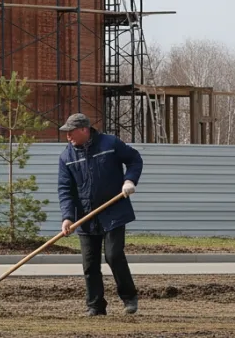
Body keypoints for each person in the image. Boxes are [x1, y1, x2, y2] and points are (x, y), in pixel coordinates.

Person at [56, 112, 144, 317]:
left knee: (113, 255)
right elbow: (65, 190)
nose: (67, 136)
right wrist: (68, 217)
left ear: (84, 130)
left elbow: (134, 159)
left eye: (71, 132)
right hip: (85, 215)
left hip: (114, 210)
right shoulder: (66, 157)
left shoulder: (110, 144)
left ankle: (129, 298)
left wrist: (129, 180)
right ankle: (95, 306)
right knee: (90, 263)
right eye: (66, 132)